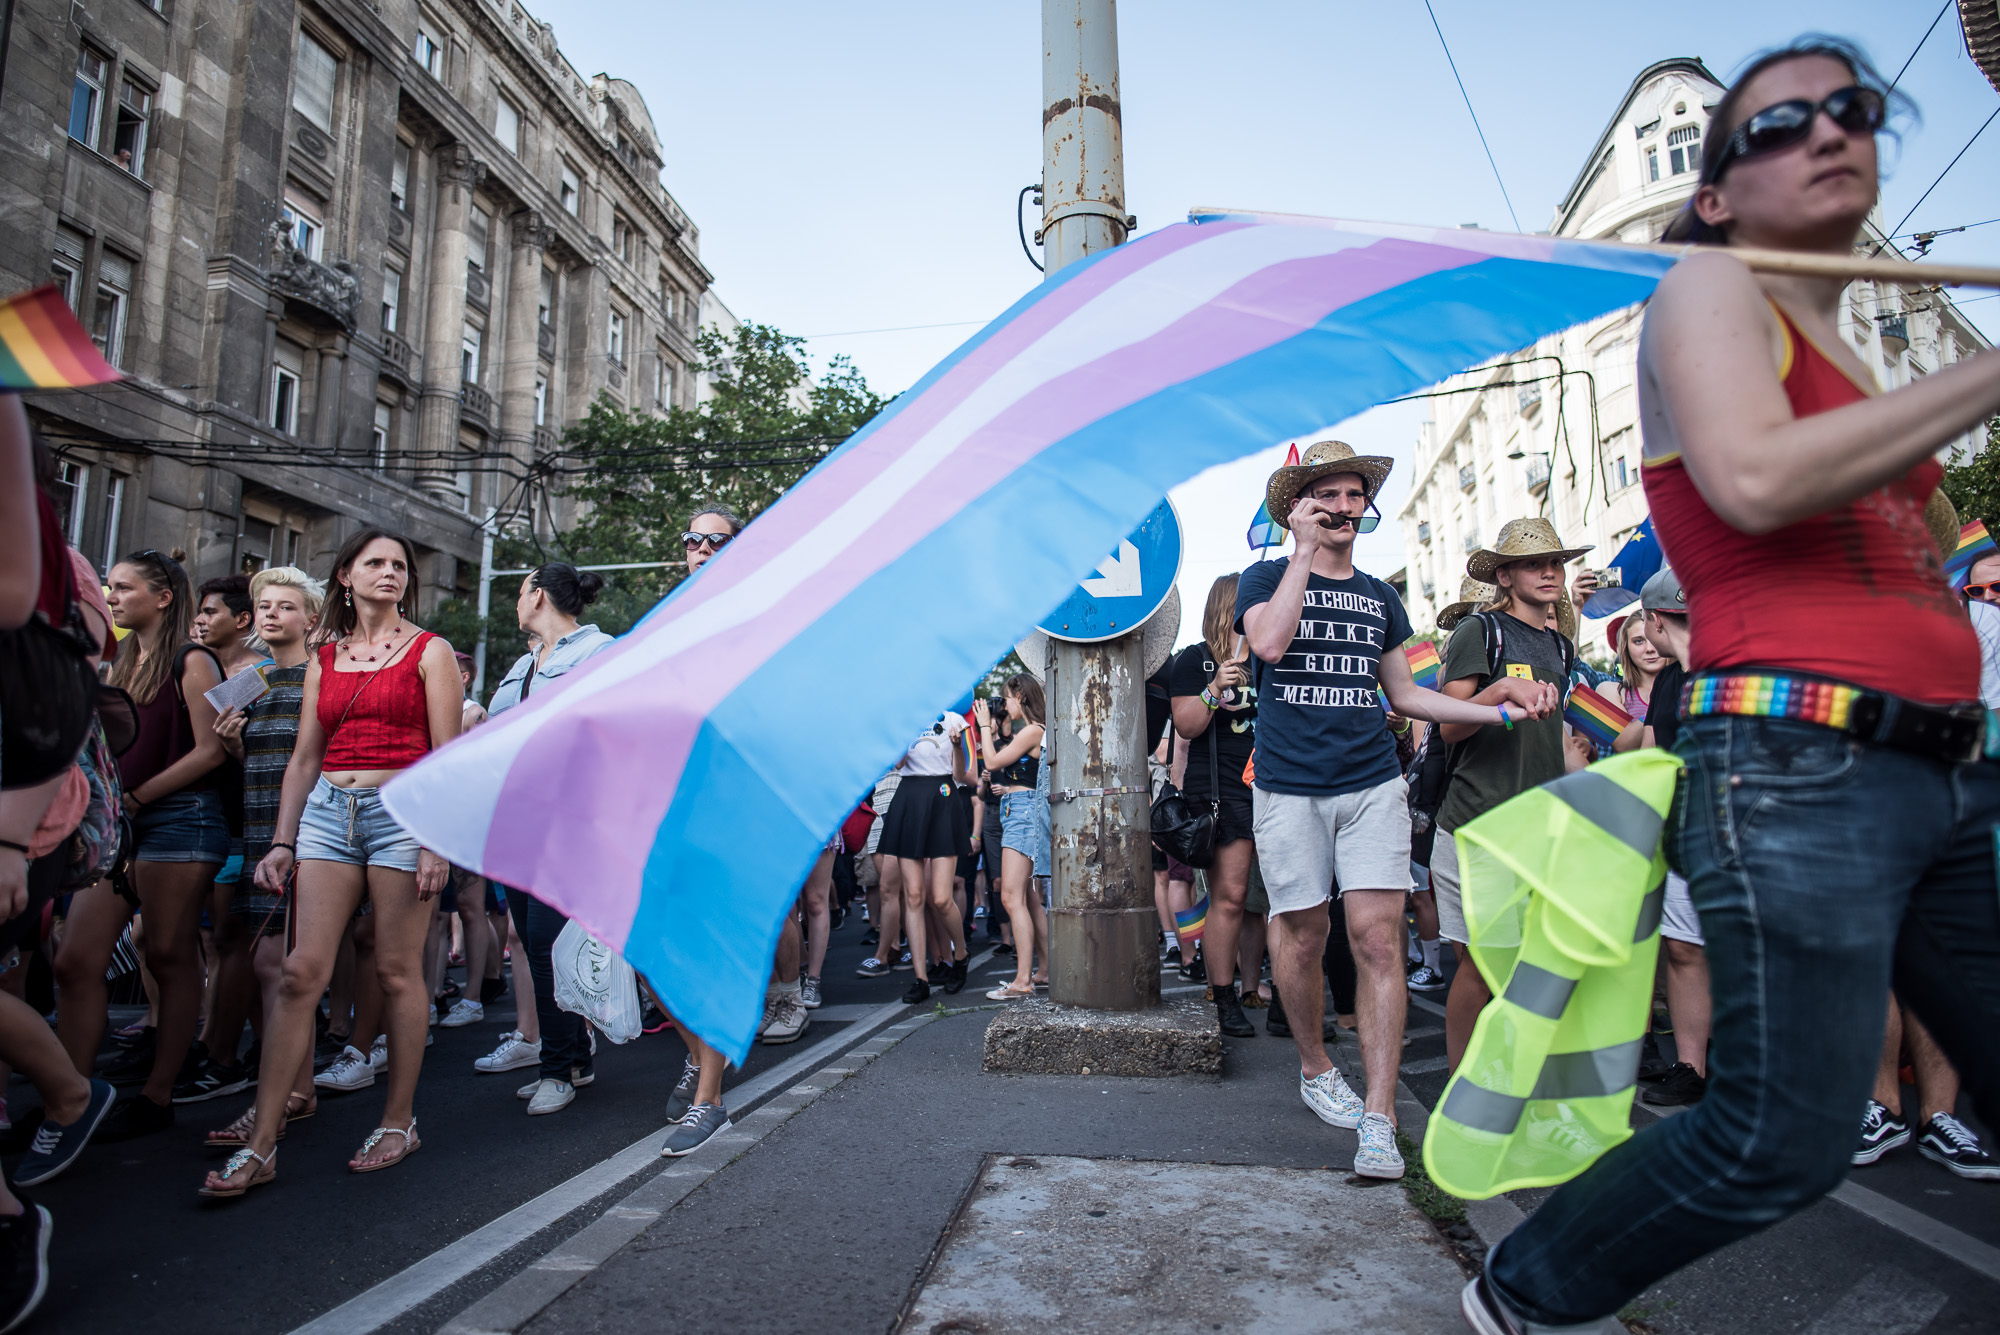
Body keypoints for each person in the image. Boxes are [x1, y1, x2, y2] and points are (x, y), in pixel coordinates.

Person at [1466, 40, 2000, 1334]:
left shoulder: (1861, 355)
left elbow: (1932, 554)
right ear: (1713, 193)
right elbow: (1757, 480)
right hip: (1796, 765)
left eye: (1853, 110)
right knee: (1781, 1134)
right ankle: (1523, 1291)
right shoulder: (1709, 288)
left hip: (1945, 769)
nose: (1829, 132)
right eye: (1779, 124)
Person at [1238, 440, 1555, 1182]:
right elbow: (1270, 642)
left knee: (1380, 939)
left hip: (1373, 784)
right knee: (1303, 932)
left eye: (1355, 496)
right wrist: (1300, 555)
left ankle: (1378, 1117)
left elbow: (1409, 695)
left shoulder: (1383, 596)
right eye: (1329, 497)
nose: (1346, 508)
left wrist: (1498, 706)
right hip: (1288, 787)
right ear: (1300, 507)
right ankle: (1316, 1066)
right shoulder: (1263, 577)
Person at [199, 529, 461, 1195]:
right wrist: (282, 841)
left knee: (397, 972)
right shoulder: (326, 656)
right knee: (297, 973)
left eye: (401, 564)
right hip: (326, 813)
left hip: (401, 812)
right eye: (376, 562)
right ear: (345, 574)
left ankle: (399, 1120)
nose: (391, 573)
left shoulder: (429, 652)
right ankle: (262, 1142)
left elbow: (446, 757)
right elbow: (305, 759)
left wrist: (437, 841)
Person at [54, 549, 228, 1140]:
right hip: (121, 821)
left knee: (168, 955)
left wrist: (136, 799)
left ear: (163, 597)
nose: (111, 597)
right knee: (77, 959)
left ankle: (158, 1095)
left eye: (124, 588)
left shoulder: (193, 659)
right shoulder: (119, 661)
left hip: (181, 818)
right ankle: (71, 1097)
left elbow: (211, 750)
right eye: (108, 588)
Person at [1431, 518, 1590, 1075]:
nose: (1549, 572)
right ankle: (1459, 1093)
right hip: (1479, 823)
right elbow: (1449, 726)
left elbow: (1554, 738)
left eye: (1555, 562)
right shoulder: (1482, 631)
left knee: (1526, 967)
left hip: (1539, 829)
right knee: (1482, 967)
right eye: (1532, 563)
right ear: (1504, 575)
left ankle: (1508, 1080)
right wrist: (1500, 691)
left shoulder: (1561, 645)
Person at [485, 561, 614, 1114]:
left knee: (545, 944)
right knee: (532, 942)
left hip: (569, 824)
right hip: (519, 824)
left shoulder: (600, 653)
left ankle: (556, 1070)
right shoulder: (523, 664)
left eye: (519, 592)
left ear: (537, 595)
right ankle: (574, 1058)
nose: (516, 602)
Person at [195, 568, 325, 1117]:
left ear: (311, 620)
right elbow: (245, 761)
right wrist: (233, 747)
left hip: (306, 836)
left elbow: (318, 760)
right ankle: (289, 1085)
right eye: (264, 605)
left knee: (285, 964)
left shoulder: (325, 675)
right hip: (257, 832)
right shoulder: (248, 680)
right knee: (269, 962)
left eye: (286, 606)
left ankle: (293, 1089)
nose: (272, 613)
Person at [1169, 575, 1260, 1036]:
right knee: (1231, 897)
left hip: (1277, 786)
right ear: (1233, 606)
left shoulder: (1271, 656)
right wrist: (1213, 689)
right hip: (1223, 791)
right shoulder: (1196, 660)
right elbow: (1185, 727)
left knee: (1283, 901)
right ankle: (1224, 998)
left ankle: (1272, 994)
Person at [875, 708, 974, 1004]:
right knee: (914, 896)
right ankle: (920, 978)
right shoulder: (900, 719)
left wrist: (956, 745)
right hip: (909, 799)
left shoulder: (956, 720)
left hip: (943, 797)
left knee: (941, 898)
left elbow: (961, 774)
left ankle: (961, 954)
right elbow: (898, 762)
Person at [975, 675, 1049, 1001]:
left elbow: (991, 762)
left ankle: (1022, 981)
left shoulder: (1034, 730)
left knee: (1010, 897)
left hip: (1023, 813)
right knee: (1029, 899)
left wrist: (981, 727)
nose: (1004, 706)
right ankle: (1044, 971)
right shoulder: (1030, 732)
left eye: (1006, 699)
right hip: (1017, 810)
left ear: (1020, 695)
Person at [1609, 613, 1663, 722]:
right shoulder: (1614, 692)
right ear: (1625, 648)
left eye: (1656, 637)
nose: (1649, 649)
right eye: (1638, 641)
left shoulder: (1691, 682)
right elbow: (1622, 739)